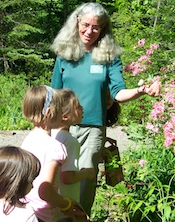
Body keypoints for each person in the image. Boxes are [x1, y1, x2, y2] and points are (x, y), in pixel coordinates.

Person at [50, 2, 161, 215]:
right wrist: (47, 129)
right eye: (86, 25)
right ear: (76, 23)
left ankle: (81, 217)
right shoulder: (64, 54)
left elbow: (118, 93)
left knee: (85, 179)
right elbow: (54, 93)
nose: (89, 31)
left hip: (93, 129)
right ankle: (58, 217)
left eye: (96, 27)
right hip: (62, 127)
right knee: (58, 176)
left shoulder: (109, 57)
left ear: (102, 30)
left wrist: (143, 90)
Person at [21, 85, 80, 222]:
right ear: (49, 113)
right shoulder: (55, 147)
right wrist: (66, 204)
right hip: (45, 214)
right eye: (60, 109)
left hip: (27, 209)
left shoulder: (28, 140)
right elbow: (45, 190)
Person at [51, 88, 94, 221]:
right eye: (77, 107)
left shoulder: (51, 135)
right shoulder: (70, 141)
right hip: (67, 203)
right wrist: (87, 173)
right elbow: (67, 177)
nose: (82, 109)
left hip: (53, 201)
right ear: (65, 116)